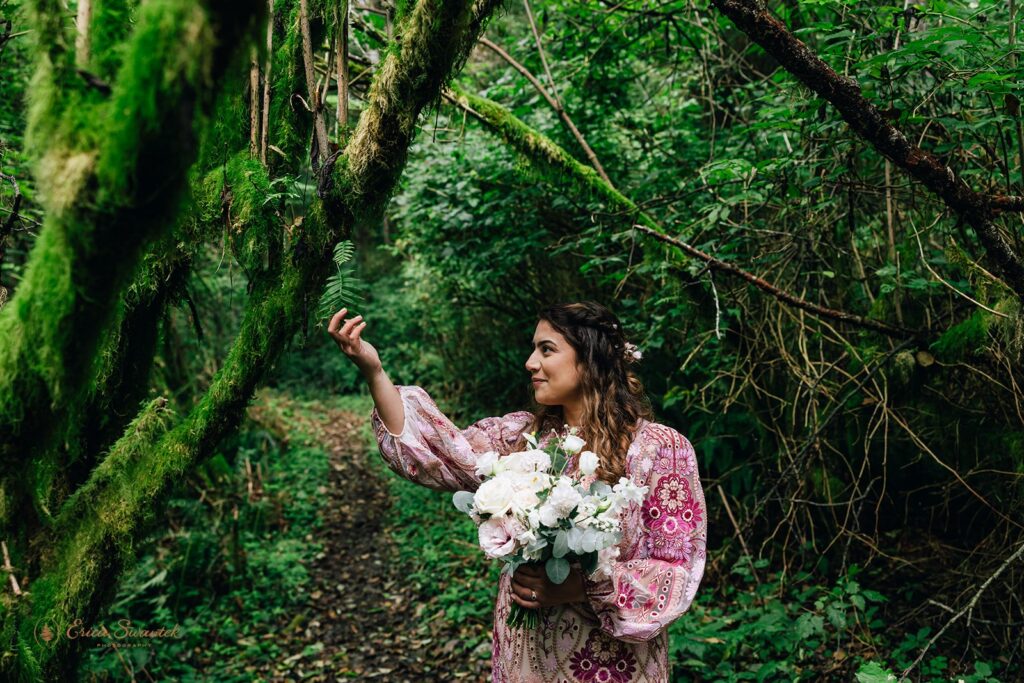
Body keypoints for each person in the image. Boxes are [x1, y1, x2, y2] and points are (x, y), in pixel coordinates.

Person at [328, 301, 707, 683]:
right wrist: (373, 369)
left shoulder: (660, 450)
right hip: (526, 652)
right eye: (534, 348)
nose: (530, 362)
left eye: (547, 349)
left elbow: (675, 569)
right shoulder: (522, 439)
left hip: (611, 662)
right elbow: (438, 453)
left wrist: (583, 587)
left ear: (591, 358)